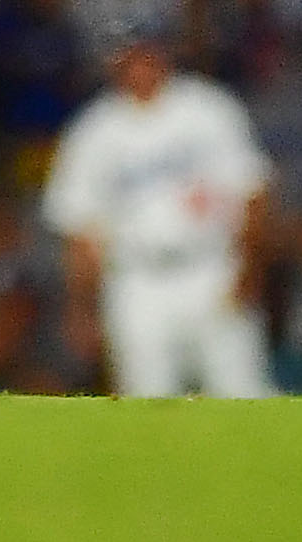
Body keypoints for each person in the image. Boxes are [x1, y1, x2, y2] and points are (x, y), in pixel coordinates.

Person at [42, 24, 274, 398]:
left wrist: (250, 267)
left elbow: (252, 192)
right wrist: (82, 307)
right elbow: (79, 227)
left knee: (240, 390)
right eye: (129, 56)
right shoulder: (93, 129)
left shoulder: (207, 108)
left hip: (211, 267)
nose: (140, 65)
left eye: (147, 54)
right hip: (136, 279)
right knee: (146, 399)